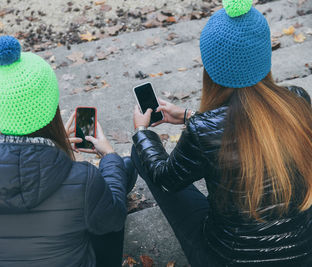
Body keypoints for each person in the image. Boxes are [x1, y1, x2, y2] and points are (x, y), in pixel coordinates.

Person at [131, 0, 312, 266]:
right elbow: (250, 127)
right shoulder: (297, 101)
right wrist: (187, 116)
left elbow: (165, 178)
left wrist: (142, 132)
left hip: (229, 258)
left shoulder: (203, 131)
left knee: (143, 154)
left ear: (210, 69)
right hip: (302, 253)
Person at [0, 36, 136, 267]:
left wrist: (60, 155)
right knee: (120, 174)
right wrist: (109, 156)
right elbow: (113, 219)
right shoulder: (84, 180)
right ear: (53, 105)